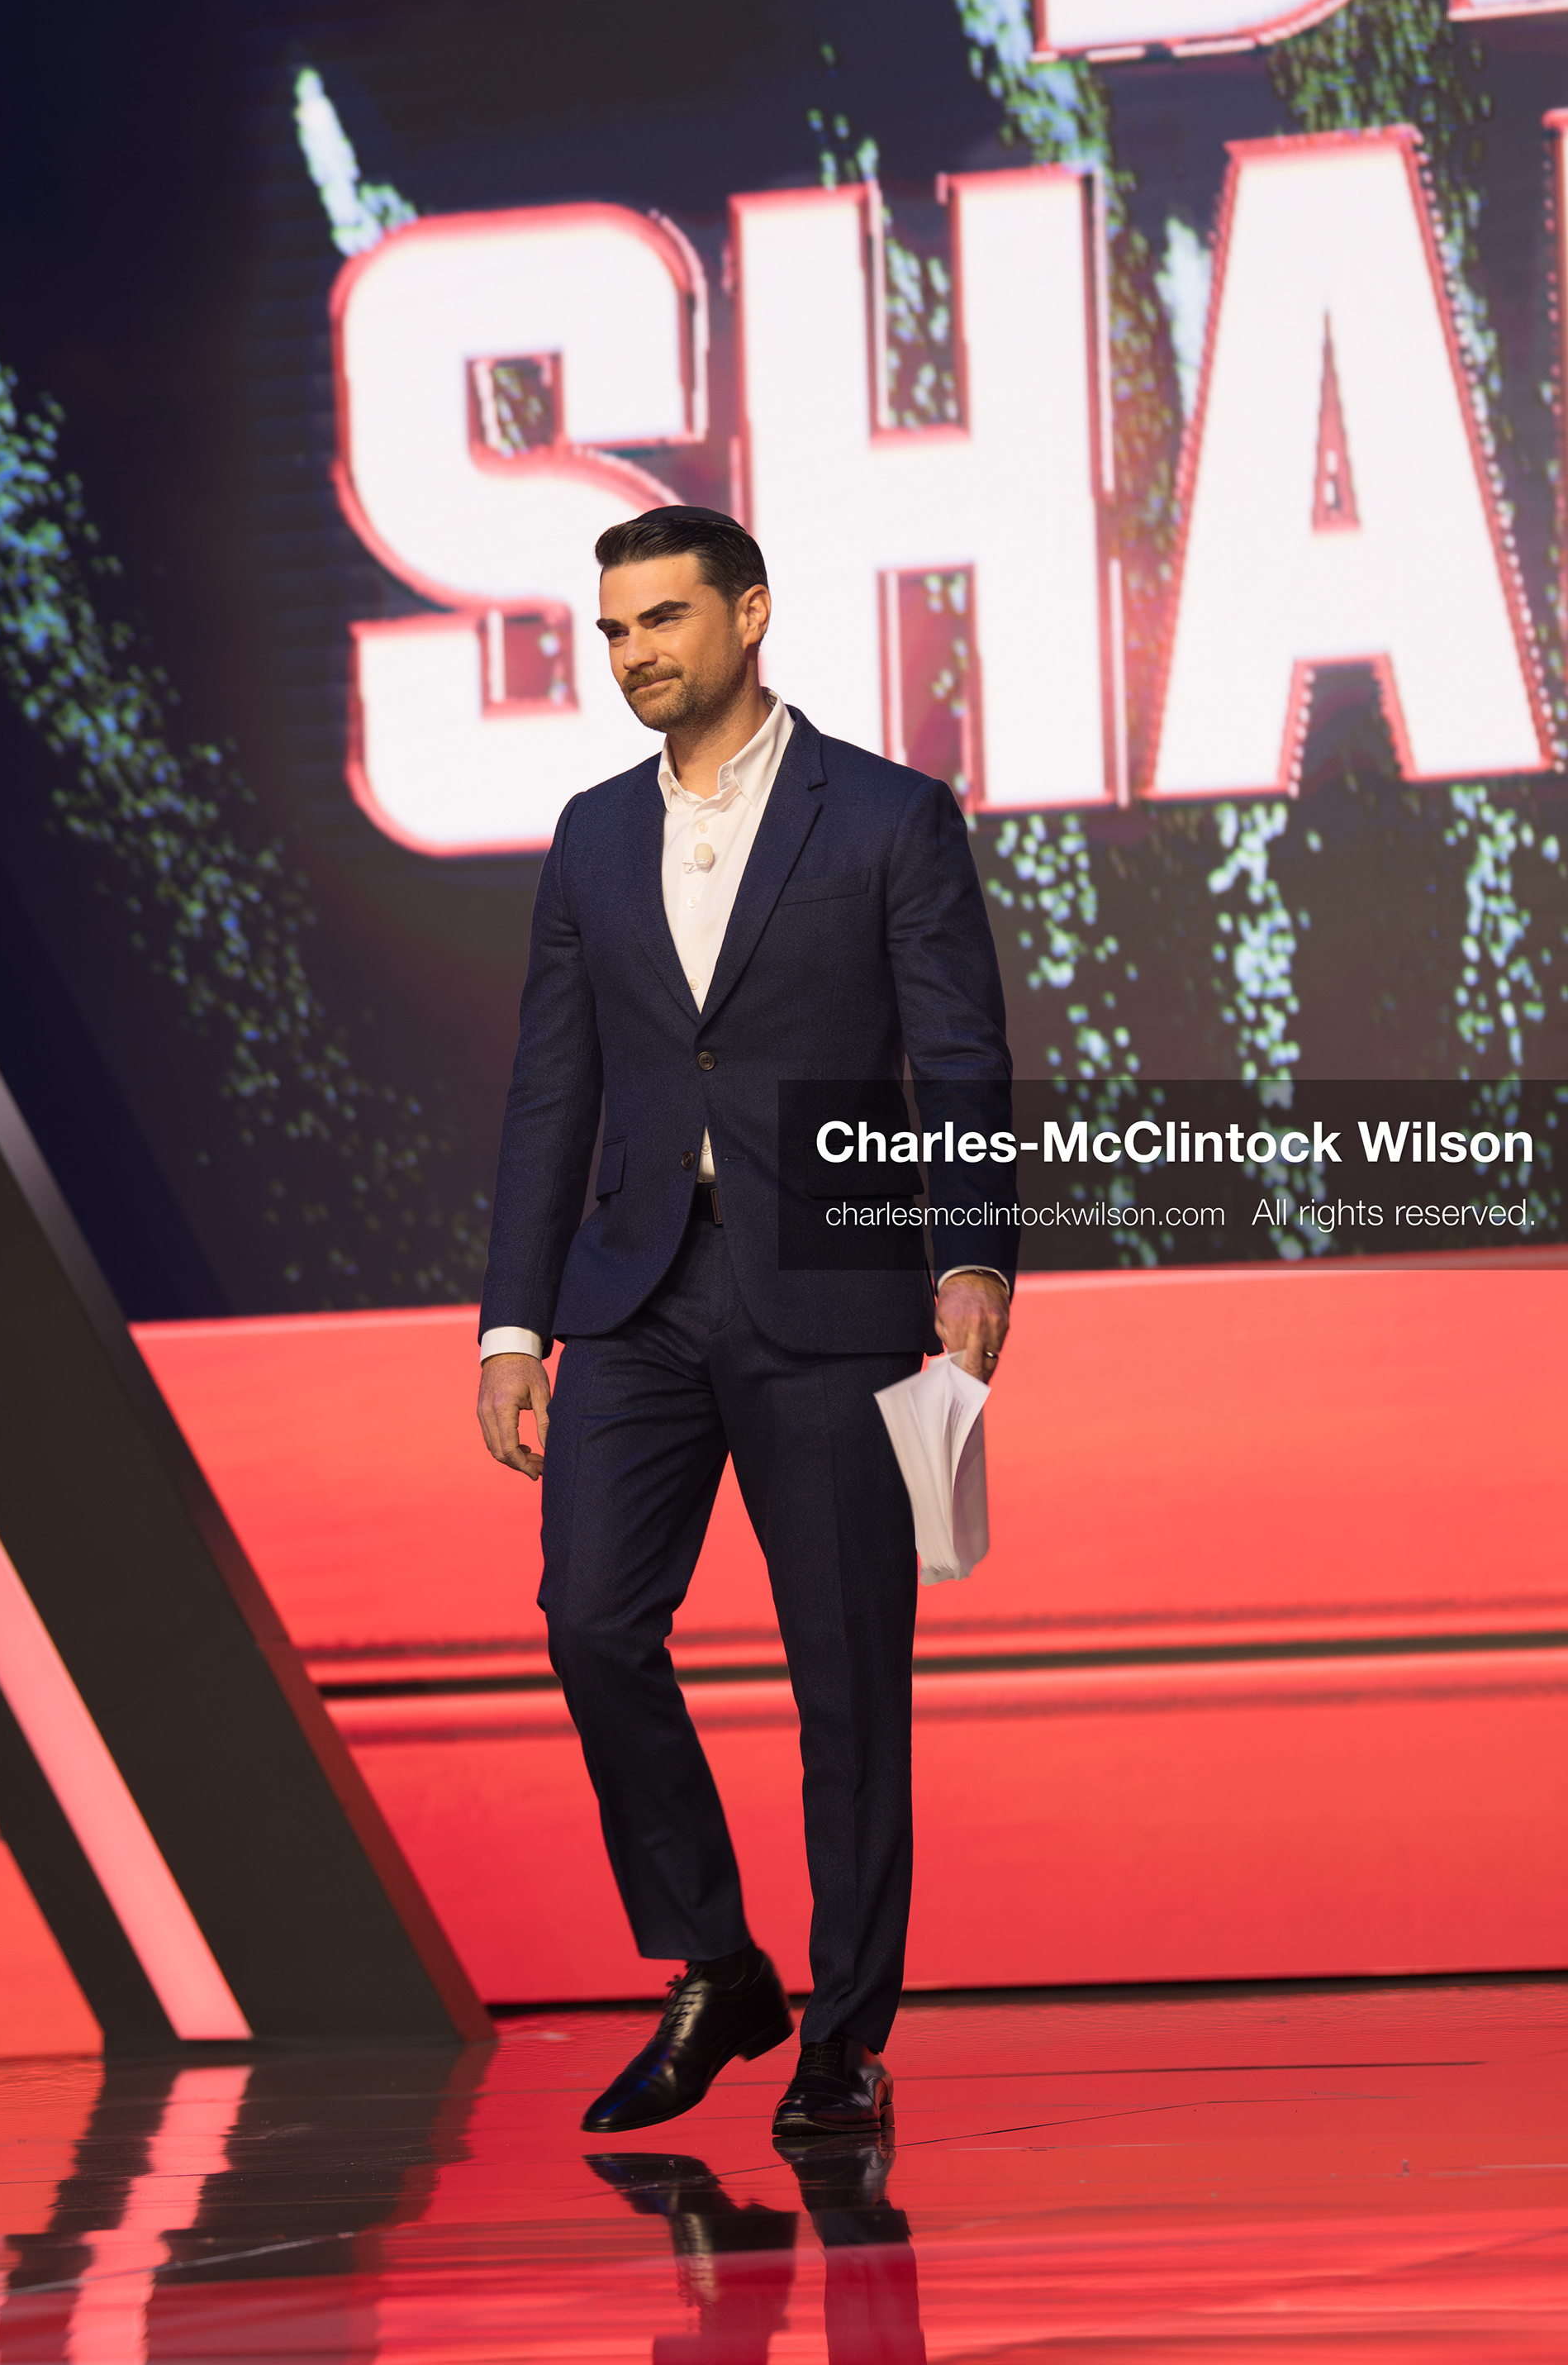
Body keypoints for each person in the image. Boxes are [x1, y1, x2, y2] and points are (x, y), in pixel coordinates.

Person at [477, 507, 1015, 2140]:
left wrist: (972, 1255)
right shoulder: (586, 837)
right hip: (637, 1295)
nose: (636, 652)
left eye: (663, 619)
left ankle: (845, 2038)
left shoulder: (889, 817)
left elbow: (960, 1060)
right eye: (614, 629)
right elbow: (550, 1088)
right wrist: (512, 1327)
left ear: (750, 615)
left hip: (834, 1294)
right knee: (589, 1620)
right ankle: (721, 1960)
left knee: (849, 1675)